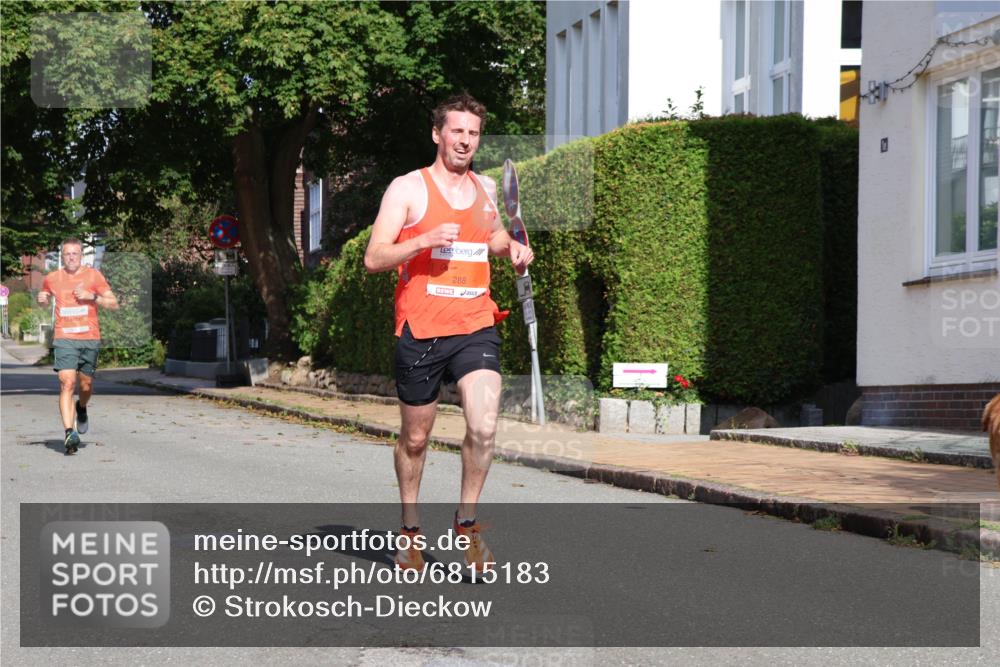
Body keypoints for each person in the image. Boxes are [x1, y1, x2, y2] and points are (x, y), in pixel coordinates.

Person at [364, 94, 534, 571]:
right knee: (415, 439)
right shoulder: (408, 189)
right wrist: (421, 240)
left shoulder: (483, 187)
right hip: (421, 330)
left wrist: (512, 249)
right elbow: (374, 257)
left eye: (473, 133)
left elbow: (494, 236)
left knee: (484, 425)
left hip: (475, 324)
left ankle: (467, 525)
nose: (465, 140)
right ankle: (410, 529)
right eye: (457, 131)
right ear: (437, 134)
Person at [37, 239, 118, 454]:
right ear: (61, 257)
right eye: (67, 254)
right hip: (64, 338)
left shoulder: (93, 276)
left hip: (89, 337)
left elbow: (113, 302)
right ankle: (69, 432)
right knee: (67, 383)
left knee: (85, 386)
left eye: (74, 253)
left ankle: (81, 408)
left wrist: (92, 296)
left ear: (80, 255)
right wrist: (42, 300)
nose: (71, 257)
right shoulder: (53, 278)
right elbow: (45, 299)